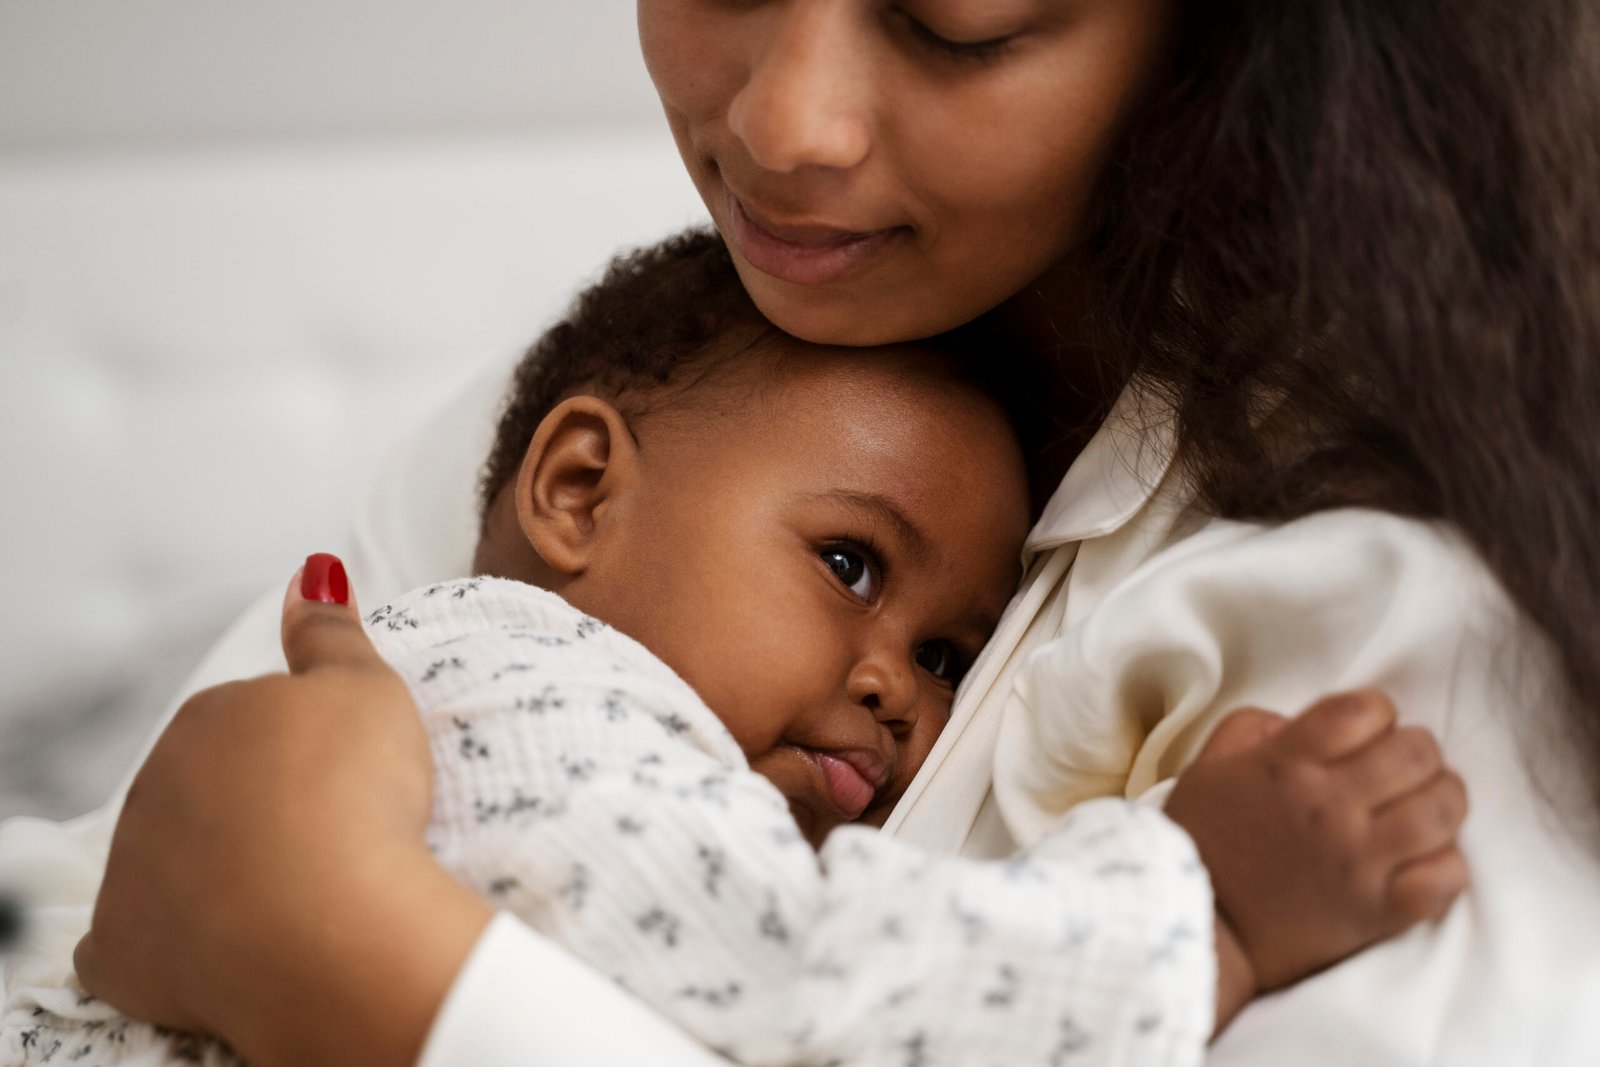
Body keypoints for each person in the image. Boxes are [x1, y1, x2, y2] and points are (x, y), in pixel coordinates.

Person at [21, 0, 1600, 1063]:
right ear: (576, 487)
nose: (786, 129)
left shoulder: (1401, 603)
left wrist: (348, 948)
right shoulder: (629, 438)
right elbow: (809, 967)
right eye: (847, 566)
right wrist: (1207, 918)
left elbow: (215, 886)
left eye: (953, 22)